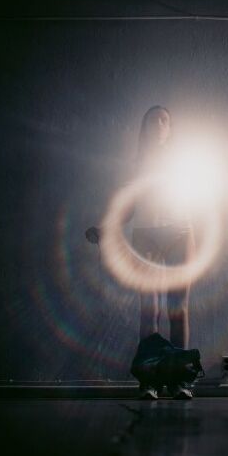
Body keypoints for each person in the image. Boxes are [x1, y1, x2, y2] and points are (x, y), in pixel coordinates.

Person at [86, 106, 196, 400]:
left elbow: (199, 197)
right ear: (144, 127)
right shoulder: (136, 165)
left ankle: (179, 380)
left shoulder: (183, 162)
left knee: (178, 308)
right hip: (146, 235)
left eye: (164, 119)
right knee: (150, 310)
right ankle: (149, 381)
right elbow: (127, 208)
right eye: (152, 119)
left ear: (170, 128)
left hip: (180, 233)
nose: (158, 123)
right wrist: (104, 228)